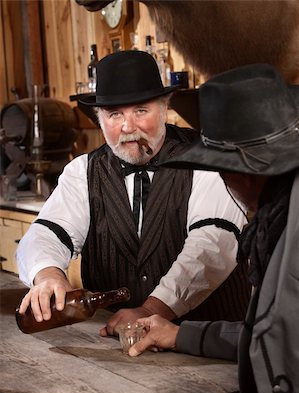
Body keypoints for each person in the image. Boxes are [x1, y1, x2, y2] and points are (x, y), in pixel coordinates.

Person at [16, 50, 249, 335]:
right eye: (114, 114)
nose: (128, 127)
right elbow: (45, 234)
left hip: (209, 340)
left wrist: (152, 309)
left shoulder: (207, 160)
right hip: (119, 346)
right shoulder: (82, 172)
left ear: (165, 107)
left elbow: (212, 245)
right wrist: (48, 274)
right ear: (99, 119)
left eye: (140, 110)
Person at [127, 64, 299, 393]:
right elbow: (275, 334)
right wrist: (179, 335)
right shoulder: (279, 220)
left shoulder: (288, 229)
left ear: (245, 175)